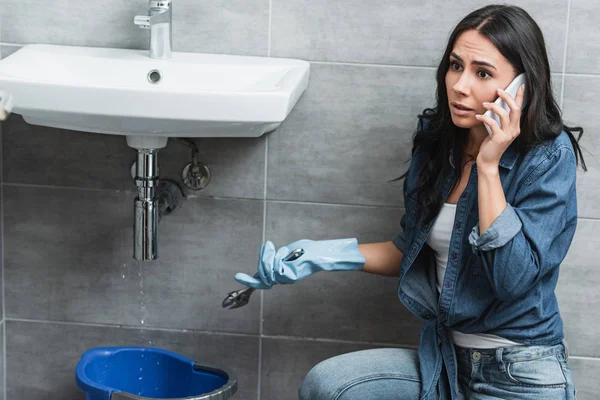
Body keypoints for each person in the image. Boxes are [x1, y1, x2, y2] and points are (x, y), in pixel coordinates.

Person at [234, 4, 586, 399]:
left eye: (482, 73)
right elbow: (414, 251)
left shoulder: (546, 157)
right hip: (445, 359)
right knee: (329, 386)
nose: (460, 85)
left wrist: (489, 166)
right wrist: (322, 255)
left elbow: (511, 280)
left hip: (520, 370)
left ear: (522, 87)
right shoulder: (439, 142)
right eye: (455, 65)